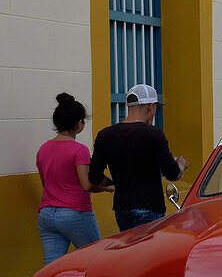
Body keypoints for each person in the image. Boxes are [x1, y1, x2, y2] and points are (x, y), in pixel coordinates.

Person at [89, 84, 189, 231]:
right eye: (156, 108)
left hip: (122, 210)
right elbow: (172, 174)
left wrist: (116, 183)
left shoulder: (105, 135)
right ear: (151, 106)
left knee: (130, 252)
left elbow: (94, 178)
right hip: (150, 207)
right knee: (149, 252)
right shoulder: (154, 134)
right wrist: (181, 164)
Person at [36, 93, 113, 264]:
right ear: (79, 124)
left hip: (47, 215)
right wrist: (107, 188)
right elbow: (86, 185)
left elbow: (46, 184)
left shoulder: (43, 149)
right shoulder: (79, 150)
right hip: (75, 213)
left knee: (52, 266)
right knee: (95, 259)